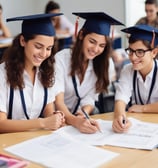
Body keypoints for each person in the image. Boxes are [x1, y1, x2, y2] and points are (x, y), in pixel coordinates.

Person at [54, 12, 124, 133]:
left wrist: (83, 113)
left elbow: (90, 98)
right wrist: (76, 121)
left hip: (78, 121)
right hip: (57, 120)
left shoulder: (103, 65)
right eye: (92, 41)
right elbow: (58, 102)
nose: (96, 49)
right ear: (81, 35)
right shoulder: (61, 60)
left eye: (102, 45)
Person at [0, 13, 65, 133]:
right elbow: (1, 124)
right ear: (23, 41)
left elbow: (48, 109)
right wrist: (42, 122)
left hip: (35, 140)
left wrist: (55, 117)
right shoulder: (2, 74)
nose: (44, 54)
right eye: (38, 46)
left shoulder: (47, 70)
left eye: (49, 48)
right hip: (8, 142)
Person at [112, 24, 158, 133]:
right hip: (139, 126)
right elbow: (121, 99)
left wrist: (143, 108)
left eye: (140, 52)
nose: (133, 57)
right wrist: (119, 117)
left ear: (154, 52)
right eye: (131, 51)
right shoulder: (128, 70)